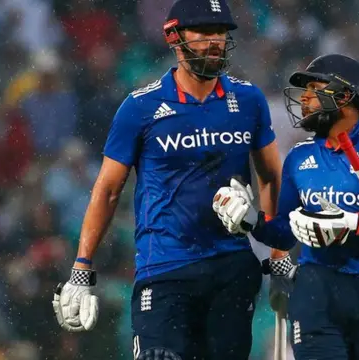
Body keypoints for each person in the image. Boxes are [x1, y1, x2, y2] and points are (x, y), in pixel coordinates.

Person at [52, 0, 286, 359]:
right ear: (174, 37)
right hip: (164, 268)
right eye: (203, 33)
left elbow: (271, 177)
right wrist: (82, 268)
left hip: (232, 269)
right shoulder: (140, 107)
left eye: (221, 33)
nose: (215, 42)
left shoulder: (249, 100)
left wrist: (278, 255)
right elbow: (108, 190)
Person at [212, 54, 359, 360]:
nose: (304, 97)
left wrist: (352, 224)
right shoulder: (299, 158)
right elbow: (284, 235)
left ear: (344, 95)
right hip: (317, 288)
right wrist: (252, 221)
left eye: (314, 87)